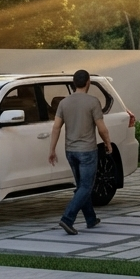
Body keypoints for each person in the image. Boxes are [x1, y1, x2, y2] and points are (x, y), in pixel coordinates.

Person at [48, 69, 116, 234]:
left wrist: (52, 150)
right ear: (88, 83)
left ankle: (91, 219)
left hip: (70, 151)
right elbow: (102, 128)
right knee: (86, 187)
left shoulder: (64, 103)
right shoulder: (93, 102)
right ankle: (67, 219)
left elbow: (56, 127)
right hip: (87, 151)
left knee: (81, 186)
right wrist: (108, 143)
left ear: (73, 83)